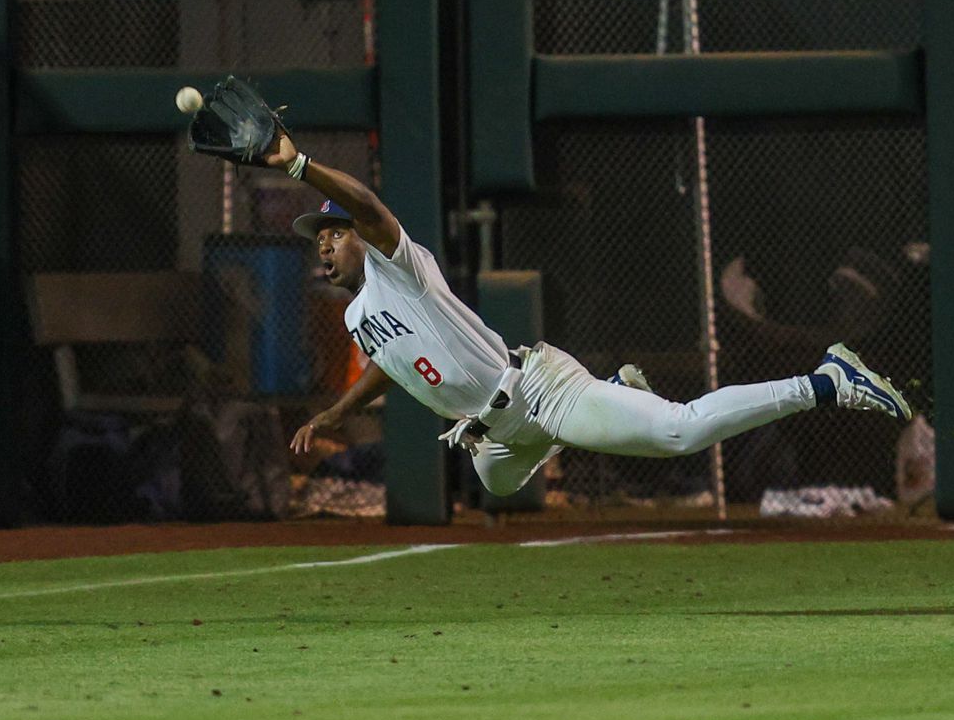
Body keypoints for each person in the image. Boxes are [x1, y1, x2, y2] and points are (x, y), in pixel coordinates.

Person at [272, 133, 912, 497]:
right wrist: (336, 412)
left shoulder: (398, 266)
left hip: (535, 391)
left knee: (680, 433)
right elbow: (390, 362)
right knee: (494, 484)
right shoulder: (359, 315)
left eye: (332, 233)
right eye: (318, 239)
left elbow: (367, 204)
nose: (324, 244)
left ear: (359, 235)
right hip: (494, 436)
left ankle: (825, 381)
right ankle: (612, 395)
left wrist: (300, 166)